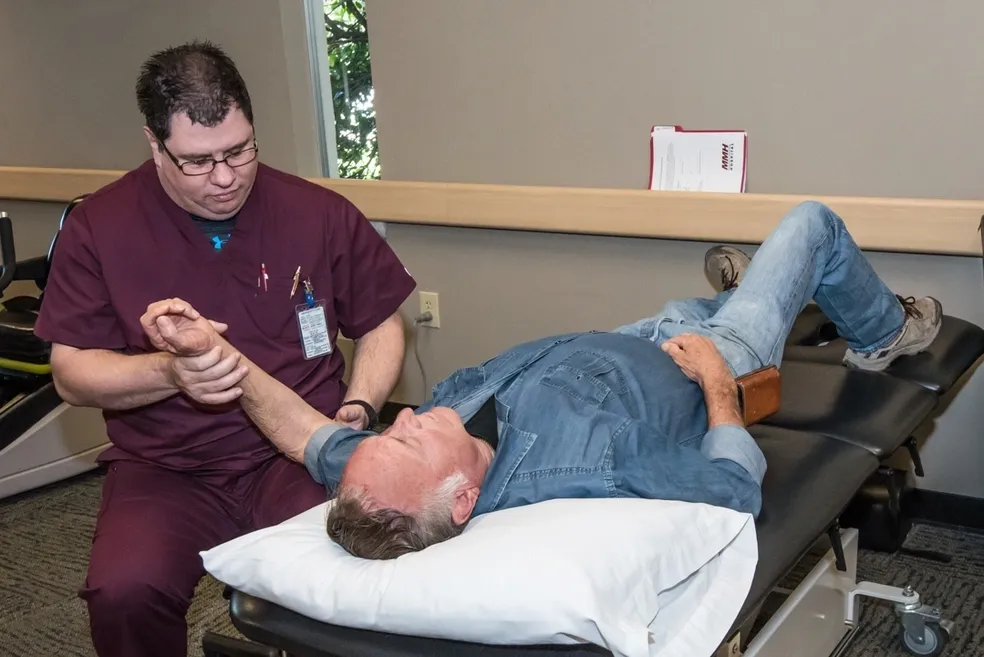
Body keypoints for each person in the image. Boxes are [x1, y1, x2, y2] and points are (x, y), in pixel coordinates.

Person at [143, 201, 942, 564]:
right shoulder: (590, 460)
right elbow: (734, 488)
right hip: (707, 355)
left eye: (391, 427)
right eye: (412, 434)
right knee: (810, 225)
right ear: (462, 500)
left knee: (752, 281)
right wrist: (719, 390)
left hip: (623, 339)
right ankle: (882, 330)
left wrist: (217, 360)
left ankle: (754, 289)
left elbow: (301, 431)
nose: (410, 413)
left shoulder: (392, 470)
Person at [32, 41, 415, 657]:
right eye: (196, 161)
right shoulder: (99, 228)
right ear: (155, 145)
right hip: (168, 468)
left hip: (296, 457)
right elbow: (72, 374)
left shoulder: (317, 213)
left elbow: (383, 323)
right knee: (123, 591)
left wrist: (358, 410)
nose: (225, 177)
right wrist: (171, 372)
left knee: (358, 576)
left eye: (239, 151)